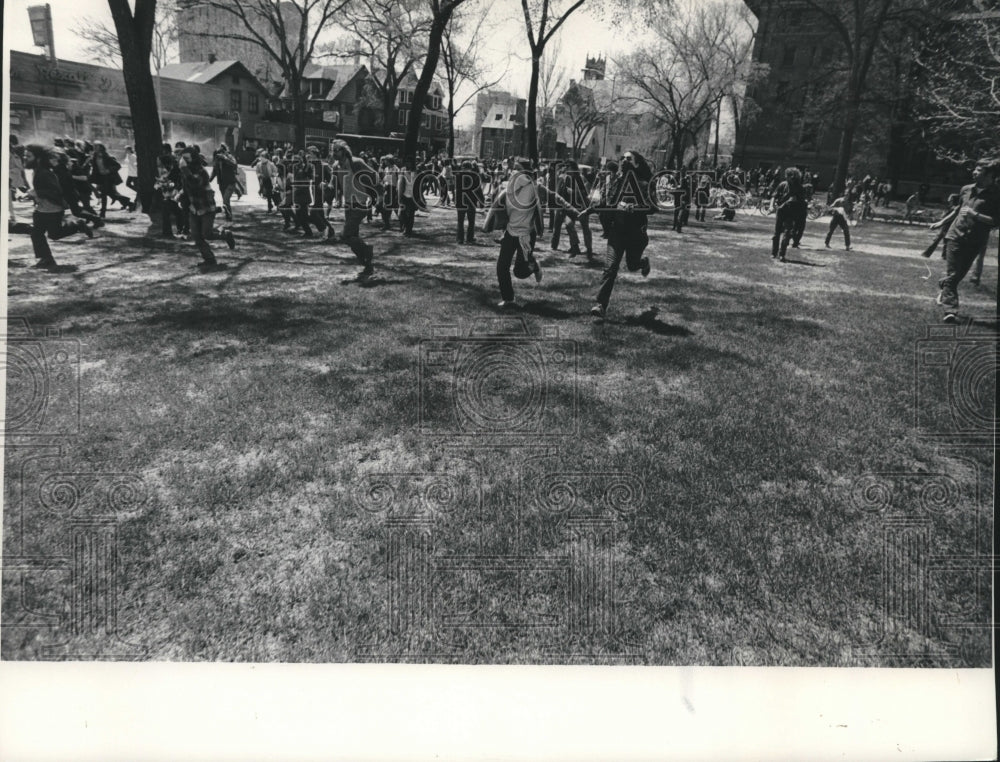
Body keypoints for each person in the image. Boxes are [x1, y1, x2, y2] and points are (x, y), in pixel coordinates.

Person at [932, 158, 1000, 321]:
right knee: (953, 272)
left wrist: (975, 215)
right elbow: (958, 210)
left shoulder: (996, 194)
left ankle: (945, 284)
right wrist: (941, 222)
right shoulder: (966, 189)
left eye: (979, 171)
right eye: (974, 169)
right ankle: (950, 311)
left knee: (957, 275)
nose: (974, 172)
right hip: (955, 235)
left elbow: (996, 221)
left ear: (990, 175)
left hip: (976, 240)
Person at [590, 150, 655, 320]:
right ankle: (601, 305)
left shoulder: (644, 184)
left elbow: (653, 207)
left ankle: (642, 263)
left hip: (635, 234)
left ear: (637, 164)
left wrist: (635, 207)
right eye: (623, 158)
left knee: (632, 265)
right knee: (610, 268)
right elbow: (605, 203)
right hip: (617, 232)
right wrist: (589, 209)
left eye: (629, 159)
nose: (624, 161)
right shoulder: (616, 182)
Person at [23, 144, 94, 270]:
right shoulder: (38, 171)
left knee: (54, 235)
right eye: (25, 155)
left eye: (28, 156)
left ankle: (77, 225)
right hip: (42, 209)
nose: (25, 158)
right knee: (36, 233)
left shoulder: (44, 173)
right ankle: (47, 259)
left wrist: (36, 193)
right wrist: (32, 194)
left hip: (52, 210)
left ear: (38, 158)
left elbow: (56, 192)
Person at [485, 157, 543, 309]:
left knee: (519, 272)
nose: (513, 171)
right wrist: (490, 223)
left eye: (517, 168)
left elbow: (554, 198)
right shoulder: (508, 187)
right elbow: (497, 204)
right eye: (513, 168)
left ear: (525, 171)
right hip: (511, 232)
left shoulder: (534, 187)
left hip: (526, 235)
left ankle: (534, 266)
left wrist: (577, 211)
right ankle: (508, 298)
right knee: (501, 267)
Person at [179, 147, 235, 271]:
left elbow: (194, 183)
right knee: (196, 236)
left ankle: (226, 234)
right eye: (183, 159)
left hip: (206, 207)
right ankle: (209, 259)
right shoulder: (185, 172)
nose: (185, 161)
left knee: (207, 234)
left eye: (187, 158)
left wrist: (184, 168)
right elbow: (187, 187)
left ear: (193, 158)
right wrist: (179, 195)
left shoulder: (201, 171)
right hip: (194, 208)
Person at [330, 139, 378, 281]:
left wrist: (376, 194)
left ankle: (367, 249)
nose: (334, 153)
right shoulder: (336, 166)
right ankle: (367, 264)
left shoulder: (356, 162)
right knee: (352, 238)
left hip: (361, 203)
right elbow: (335, 184)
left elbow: (373, 175)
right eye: (332, 150)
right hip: (348, 204)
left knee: (346, 235)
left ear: (344, 150)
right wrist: (331, 190)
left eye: (336, 150)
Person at [551, 160, 594, 259]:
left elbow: (585, 193)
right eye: (565, 166)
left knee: (585, 228)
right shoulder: (564, 178)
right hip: (567, 207)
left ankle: (589, 250)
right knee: (567, 224)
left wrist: (574, 192)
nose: (566, 168)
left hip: (581, 207)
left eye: (568, 166)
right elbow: (559, 193)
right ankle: (574, 247)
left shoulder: (580, 178)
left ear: (574, 168)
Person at [771, 167, 806, 262]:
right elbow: (774, 196)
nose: (787, 178)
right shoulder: (782, 184)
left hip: (792, 212)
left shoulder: (799, 187)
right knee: (777, 232)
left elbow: (802, 202)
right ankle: (774, 253)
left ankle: (782, 254)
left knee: (787, 232)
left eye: (789, 176)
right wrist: (772, 206)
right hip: (781, 211)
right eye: (787, 176)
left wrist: (796, 201)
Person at [90, 141, 134, 216]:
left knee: (104, 194)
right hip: (101, 178)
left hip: (108, 178)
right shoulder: (94, 157)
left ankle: (102, 212)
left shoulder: (106, 156)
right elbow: (95, 169)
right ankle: (128, 202)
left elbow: (118, 165)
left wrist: (108, 170)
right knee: (111, 194)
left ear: (101, 148)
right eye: (94, 147)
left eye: (97, 146)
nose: (95, 148)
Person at [454, 159, 485, 244]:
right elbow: (478, 190)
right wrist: (481, 201)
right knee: (471, 221)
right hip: (471, 201)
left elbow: (455, 189)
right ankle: (469, 238)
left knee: (460, 221)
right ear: (471, 168)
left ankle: (460, 239)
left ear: (462, 167)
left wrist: (454, 199)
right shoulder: (475, 176)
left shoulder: (457, 175)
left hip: (460, 200)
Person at [209, 144, 239, 221]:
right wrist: (207, 181)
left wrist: (225, 158)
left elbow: (234, 164)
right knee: (226, 202)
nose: (218, 157)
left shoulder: (229, 157)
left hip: (230, 183)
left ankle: (229, 217)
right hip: (222, 184)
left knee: (225, 200)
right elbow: (214, 173)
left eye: (219, 154)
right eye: (216, 155)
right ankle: (229, 218)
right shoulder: (216, 161)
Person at [397, 158, 418, 236]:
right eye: (407, 162)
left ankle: (409, 230)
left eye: (409, 162)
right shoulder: (403, 172)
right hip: (404, 195)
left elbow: (417, 186)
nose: (408, 164)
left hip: (412, 196)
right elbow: (399, 184)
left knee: (411, 214)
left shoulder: (415, 172)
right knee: (402, 214)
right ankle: (405, 227)